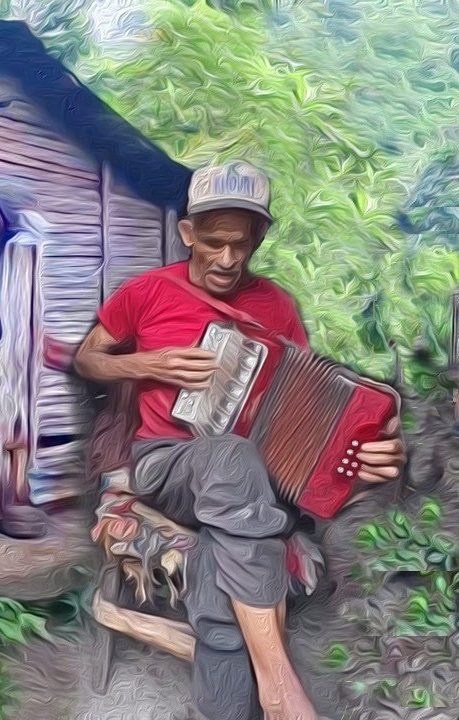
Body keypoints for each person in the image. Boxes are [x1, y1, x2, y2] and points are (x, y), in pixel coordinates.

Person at [74, 161, 406, 720]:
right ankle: (279, 682)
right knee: (230, 454)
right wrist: (149, 362)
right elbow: (87, 359)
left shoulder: (276, 305)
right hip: (167, 463)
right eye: (212, 243)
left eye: (241, 244)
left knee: (226, 542)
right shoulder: (145, 292)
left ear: (258, 238)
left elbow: (310, 408)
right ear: (187, 234)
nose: (227, 259)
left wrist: (368, 454)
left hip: (251, 483)